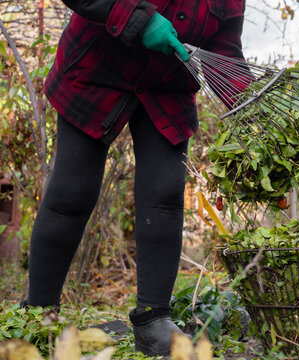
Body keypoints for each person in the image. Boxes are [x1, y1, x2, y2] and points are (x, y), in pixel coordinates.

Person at [21, 0, 247, 356]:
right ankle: (36, 316)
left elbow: (225, 47)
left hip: (167, 85)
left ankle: (153, 320)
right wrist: (137, 18)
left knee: (165, 196)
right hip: (97, 68)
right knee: (71, 195)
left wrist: (246, 103)